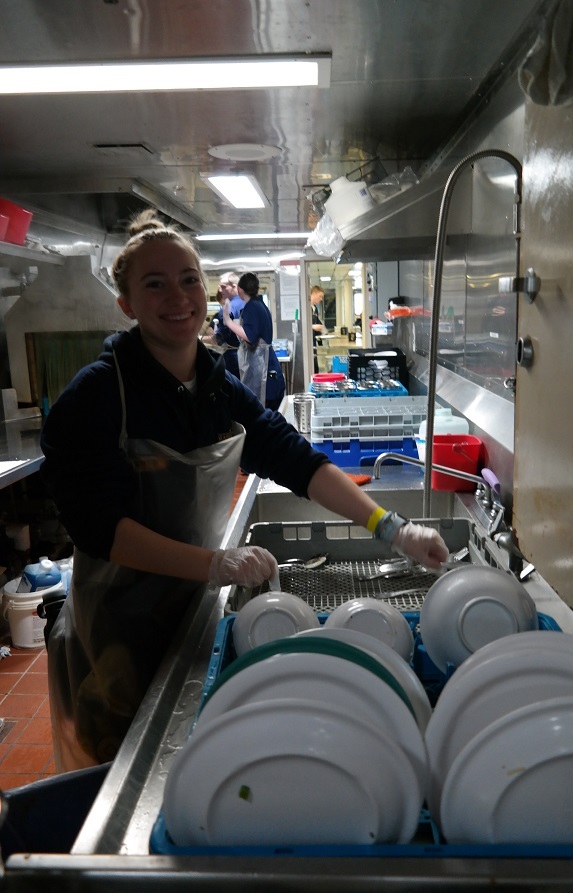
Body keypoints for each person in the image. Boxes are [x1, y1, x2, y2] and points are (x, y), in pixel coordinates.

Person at [39, 210, 448, 771]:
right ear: (127, 305)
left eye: (187, 279)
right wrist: (215, 564)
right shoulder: (97, 397)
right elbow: (99, 529)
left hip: (191, 605)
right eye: (154, 284)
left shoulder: (215, 387)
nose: (178, 296)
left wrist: (392, 528)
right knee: (124, 765)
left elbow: (296, 461)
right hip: (118, 625)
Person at [223, 271, 285, 411]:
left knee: (262, 412)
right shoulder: (259, 304)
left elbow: (250, 337)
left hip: (262, 368)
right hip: (267, 365)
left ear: (240, 289)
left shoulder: (252, 307)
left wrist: (228, 322)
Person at [201, 274, 244, 379]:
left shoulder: (229, 308)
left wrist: (199, 339)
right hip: (250, 357)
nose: (220, 290)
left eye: (223, 287)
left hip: (234, 358)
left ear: (234, 287)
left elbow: (218, 339)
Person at [310, 285, 325, 374]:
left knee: (316, 368)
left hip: (314, 342)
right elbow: (302, 325)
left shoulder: (315, 309)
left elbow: (317, 323)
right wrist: (312, 327)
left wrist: (321, 332)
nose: (321, 299)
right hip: (308, 343)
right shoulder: (305, 308)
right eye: (320, 296)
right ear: (314, 294)